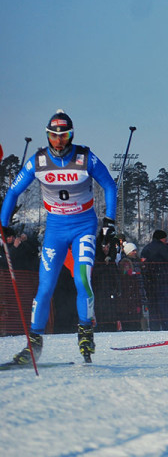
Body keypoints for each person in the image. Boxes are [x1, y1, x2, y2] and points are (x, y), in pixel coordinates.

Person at [1, 110, 117, 364]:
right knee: (44, 288)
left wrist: (109, 221)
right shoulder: (39, 160)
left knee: (82, 280)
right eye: (54, 136)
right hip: (55, 229)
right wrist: (4, 224)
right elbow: (13, 192)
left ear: (71, 135)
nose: (59, 141)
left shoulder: (85, 156)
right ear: (48, 137)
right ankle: (33, 345)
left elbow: (109, 184)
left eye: (64, 136)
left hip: (83, 226)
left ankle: (85, 331)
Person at [141, 230, 168, 330]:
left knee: (153, 308)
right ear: (161, 238)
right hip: (163, 281)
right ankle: (167, 327)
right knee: (165, 307)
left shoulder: (146, 248)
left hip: (150, 282)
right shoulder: (164, 248)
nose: (166, 240)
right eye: (165, 238)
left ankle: (154, 328)